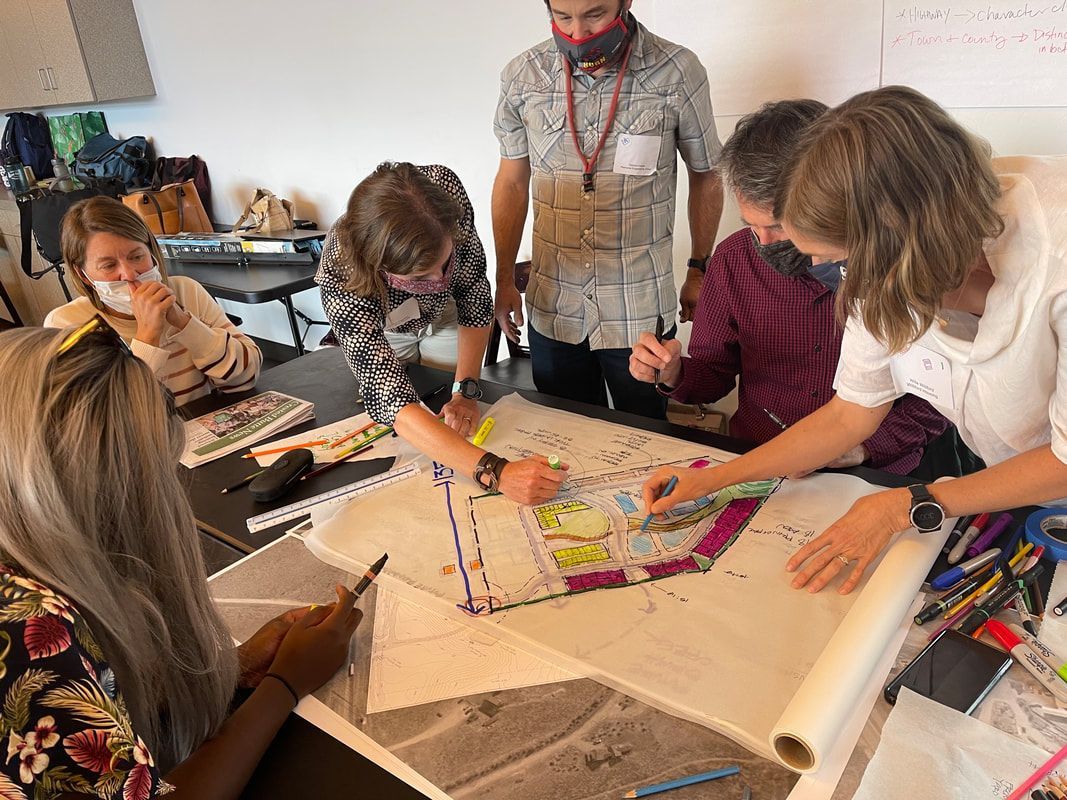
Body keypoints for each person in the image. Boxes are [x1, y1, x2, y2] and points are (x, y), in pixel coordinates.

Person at [642, 86, 1067, 595]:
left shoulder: (1055, 257)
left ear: (894, 239)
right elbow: (851, 412)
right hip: (1014, 481)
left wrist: (906, 503)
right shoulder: (881, 255)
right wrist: (714, 479)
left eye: (830, 258)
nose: (822, 275)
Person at [0, 322, 360, 797]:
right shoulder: (27, 625)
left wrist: (238, 667)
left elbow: (93, 708)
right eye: (156, 472)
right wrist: (285, 685)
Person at [629, 99, 951, 477]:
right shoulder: (734, 260)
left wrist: (863, 448)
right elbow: (712, 372)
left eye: (780, 226)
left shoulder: (889, 267)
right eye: (752, 226)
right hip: (759, 460)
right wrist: (672, 373)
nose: (765, 244)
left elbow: (936, 399)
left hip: (873, 471)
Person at [492, 0, 723, 419]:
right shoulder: (523, 76)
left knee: (646, 437)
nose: (578, 34)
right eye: (563, 17)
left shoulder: (677, 72)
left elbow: (707, 175)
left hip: (637, 308)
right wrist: (504, 276)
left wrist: (698, 270)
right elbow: (511, 181)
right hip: (555, 307)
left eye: (594, 14)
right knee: (566, 433)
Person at [318, 162, 566, 505]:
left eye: (444, 263)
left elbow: (472, 294)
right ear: (379, 266)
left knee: (453, 412)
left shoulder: (441, 193)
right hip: (388, 328)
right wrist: (496, 471)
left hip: (446, 317)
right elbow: (394, 401)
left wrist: (465, 391)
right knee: (407, 425)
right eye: (420, 277)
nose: (439, 281)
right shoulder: (341, 274)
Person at [44, 197, 262, 407]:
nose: (129, 274)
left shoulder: (186, 291)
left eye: (137, 257)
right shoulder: (67, 323)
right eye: (109, 266)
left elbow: (245, 377)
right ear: (83, 275)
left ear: (152, 253)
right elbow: (106, 417)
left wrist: (185, 323)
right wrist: (148, 336)